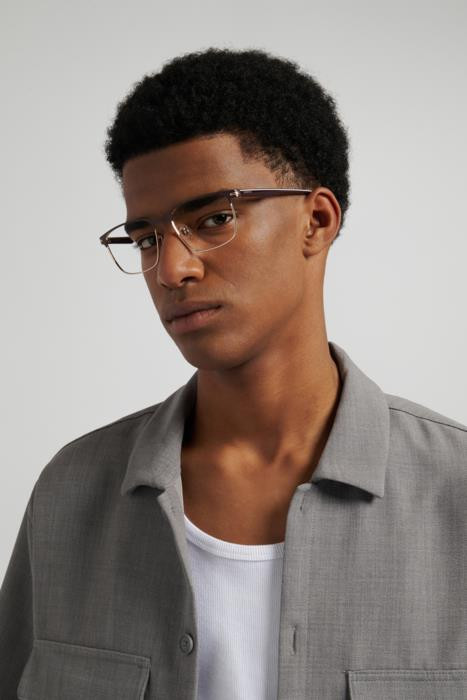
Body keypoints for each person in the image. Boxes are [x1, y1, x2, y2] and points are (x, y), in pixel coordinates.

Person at [1, 47, 467, 700]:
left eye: (214, 219)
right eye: (146, 239)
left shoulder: (455, 495)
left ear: (316, 220)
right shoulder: (71, 494)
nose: (171, 269)